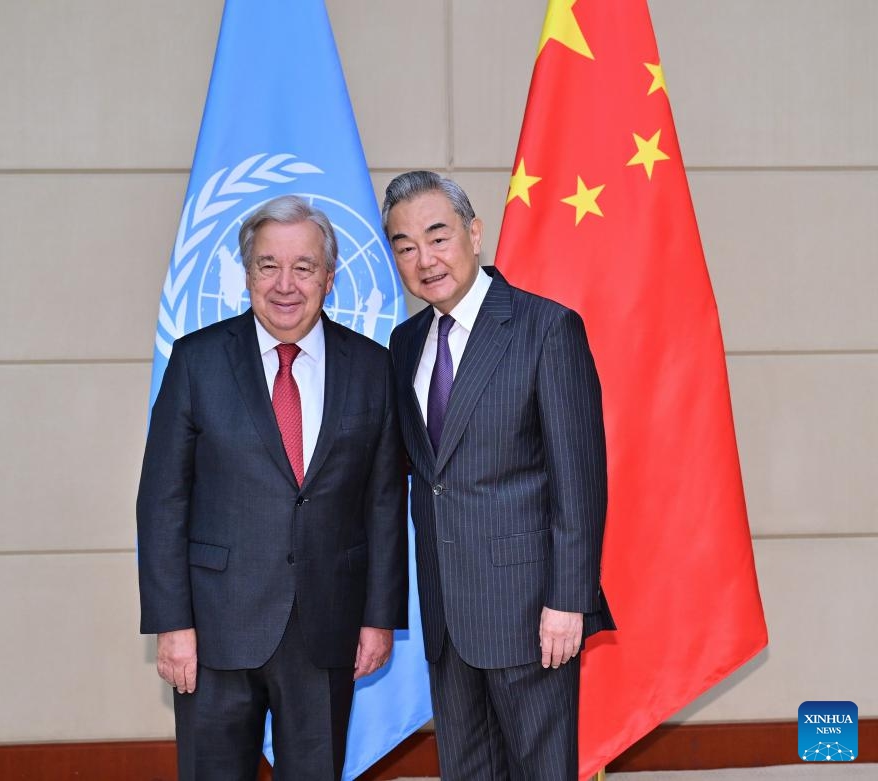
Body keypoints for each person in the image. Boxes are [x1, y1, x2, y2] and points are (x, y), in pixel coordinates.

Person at [137, 194, 407, 781]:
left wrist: (378, 618)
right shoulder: (196, 362)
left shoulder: (372, 368)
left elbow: (384, 503)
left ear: (329, 278)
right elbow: (162, 503)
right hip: (213, 632)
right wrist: (172, 625)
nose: (285, 284)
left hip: (326, 630)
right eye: (268, 265)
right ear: (247, 273)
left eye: (304, 267)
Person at [383, 171, 614, 780]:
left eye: (438, 236)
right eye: (404, 246)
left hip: (530, 614)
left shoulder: (546, 328)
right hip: (447, 616)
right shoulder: (405, 343)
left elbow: (579, 480)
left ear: (475, 234)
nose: (424, 259)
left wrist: (569, 601)